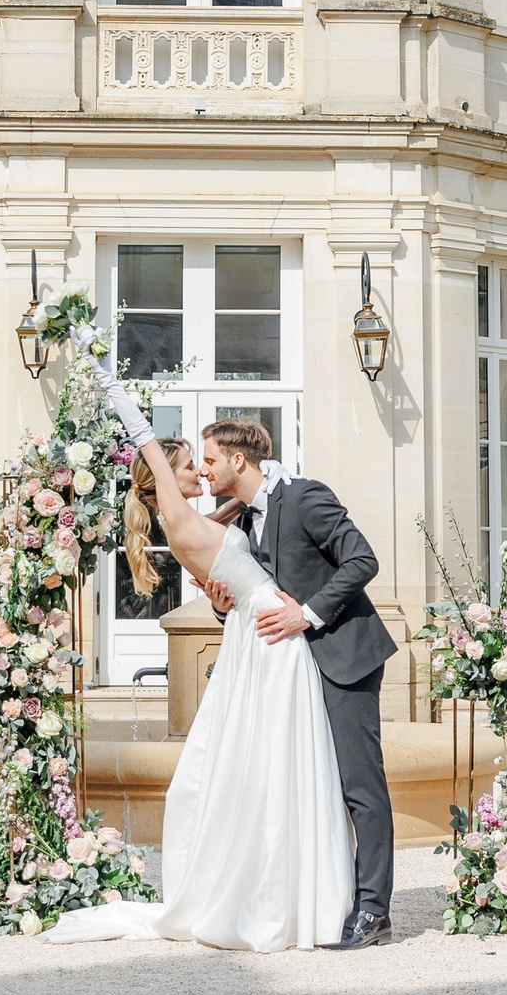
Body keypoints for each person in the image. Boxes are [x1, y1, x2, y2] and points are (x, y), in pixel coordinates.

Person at [40, 392, 354, 952]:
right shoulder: (179, 515)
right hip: (272, 637)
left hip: (252, 632)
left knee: (261, 758)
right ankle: (288, 896)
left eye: (205, 462)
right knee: (281, 756)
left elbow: (252, 509)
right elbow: (152, 451)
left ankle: (282, 886)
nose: (199, 470)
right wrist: (113, 386)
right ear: (163, 477)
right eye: (191, 465)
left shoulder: (197, 519)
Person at [200, 417, 399, 950]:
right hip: (291, 671)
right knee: (310, 786)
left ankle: (374, 912)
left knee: (359, 787)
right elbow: (262, 594)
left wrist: (307, 614)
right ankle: (326, 902)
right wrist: (225, 609)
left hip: (343, 657)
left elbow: (363, 560)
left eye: (211, 459)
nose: (205, 469)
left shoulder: (305, 496)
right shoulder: (241, 520)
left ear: (238, 460)